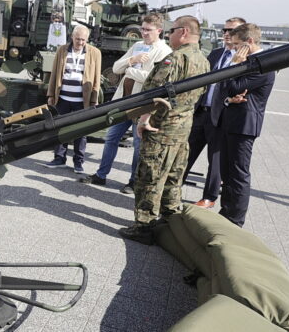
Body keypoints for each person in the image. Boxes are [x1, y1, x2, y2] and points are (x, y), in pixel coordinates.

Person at [118, 15, 210, 244]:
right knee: (173, 175)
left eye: (172, 31)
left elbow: (154, 92)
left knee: (149, 176)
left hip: (161, 127)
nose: (169, 35)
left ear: (184, 32)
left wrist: (144, 120)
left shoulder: (175, 59)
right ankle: (170, 219)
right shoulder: (204, 61)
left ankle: (145, 227)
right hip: (183, 127)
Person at [81, 14, 172, 194]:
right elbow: (115, 68)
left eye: (148, 30)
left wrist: (130, 71)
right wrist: (132, 60)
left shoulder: (164, 51)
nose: (144, 33)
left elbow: (156, 81)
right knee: (111, 138)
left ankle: (133, 181)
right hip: (123, 101)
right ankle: (101, 175)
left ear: (159, 31)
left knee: (138, 145)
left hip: (142, 105)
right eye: (142, 29)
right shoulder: (137, 46)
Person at [214, 23, 275, 227]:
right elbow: (230, 90)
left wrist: (234, 65)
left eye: (237, 44)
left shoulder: (263, 64)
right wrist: (231, 94)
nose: (234, 48)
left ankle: (235, 219)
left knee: (238, 174)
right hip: (232, 121)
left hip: (244, 126)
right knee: (227, 172)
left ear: (249, 42)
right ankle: (226, 212)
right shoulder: (250, 61)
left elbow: (233, 87)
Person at [183, 17, 246, 209]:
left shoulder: (245, 59)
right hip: (202, 112)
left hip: (222, 115)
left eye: (231, 31)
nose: (227, 34)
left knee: (216, 160)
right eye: (224, 30)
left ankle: (209, 198)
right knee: (186, 153)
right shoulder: (216, 53)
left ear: (242, 35)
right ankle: (173, 187)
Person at [43, 25, 102, 174]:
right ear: (72, 37)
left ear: (87, 39)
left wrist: (94, 100)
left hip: (82, 101)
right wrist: (50, 95)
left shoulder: (95, 53)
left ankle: (78, 162)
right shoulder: (62, 50)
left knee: (80, 132)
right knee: (60, 129)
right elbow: (54, 73)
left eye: (83, 40)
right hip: (62, 98)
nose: (80, 42)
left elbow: (96, 78)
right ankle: (59, 158)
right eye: (77, 39)